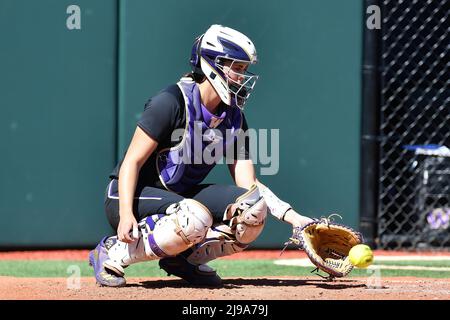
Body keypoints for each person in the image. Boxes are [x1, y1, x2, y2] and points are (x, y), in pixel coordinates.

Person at [89, 24, 313, 287]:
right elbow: (131, 162)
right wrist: (126, 214)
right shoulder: (172, 101)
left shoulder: (234, 118)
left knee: (252, 209)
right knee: (195, 216)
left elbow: (251, 187)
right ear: (211, 64)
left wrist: (295, 219)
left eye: (244, 69)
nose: (242, 77)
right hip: (128, 196)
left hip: (179, 201)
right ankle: (112, 252)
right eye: (236, 68)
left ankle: (183, 260)